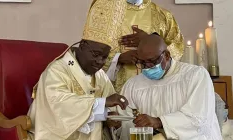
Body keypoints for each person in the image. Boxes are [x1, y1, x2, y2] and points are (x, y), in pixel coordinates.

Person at [27, 1, 130, 139]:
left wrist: (110, 118)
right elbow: (59, 106)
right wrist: (102, 103)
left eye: (104, 57)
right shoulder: (57, 71)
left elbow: (110, 109)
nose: (100, 62)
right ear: (82, 46)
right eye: (95, 54)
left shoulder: (100, 76)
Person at [117, 34, 222, 140]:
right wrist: (118, 123)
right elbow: (124, 119)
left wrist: (159, 121)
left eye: (152, 61)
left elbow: (198, 118)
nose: (147, 67)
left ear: (166, 55)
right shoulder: (133, 84)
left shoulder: (195, 75)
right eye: (142, 63)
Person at [91, 0, 185, 92]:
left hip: (155, 89)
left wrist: (150, 40)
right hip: (117, 90)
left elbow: (177, 48)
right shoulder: (105, 12)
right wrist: (118, 58)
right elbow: (91, 51)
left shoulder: (162, 16)